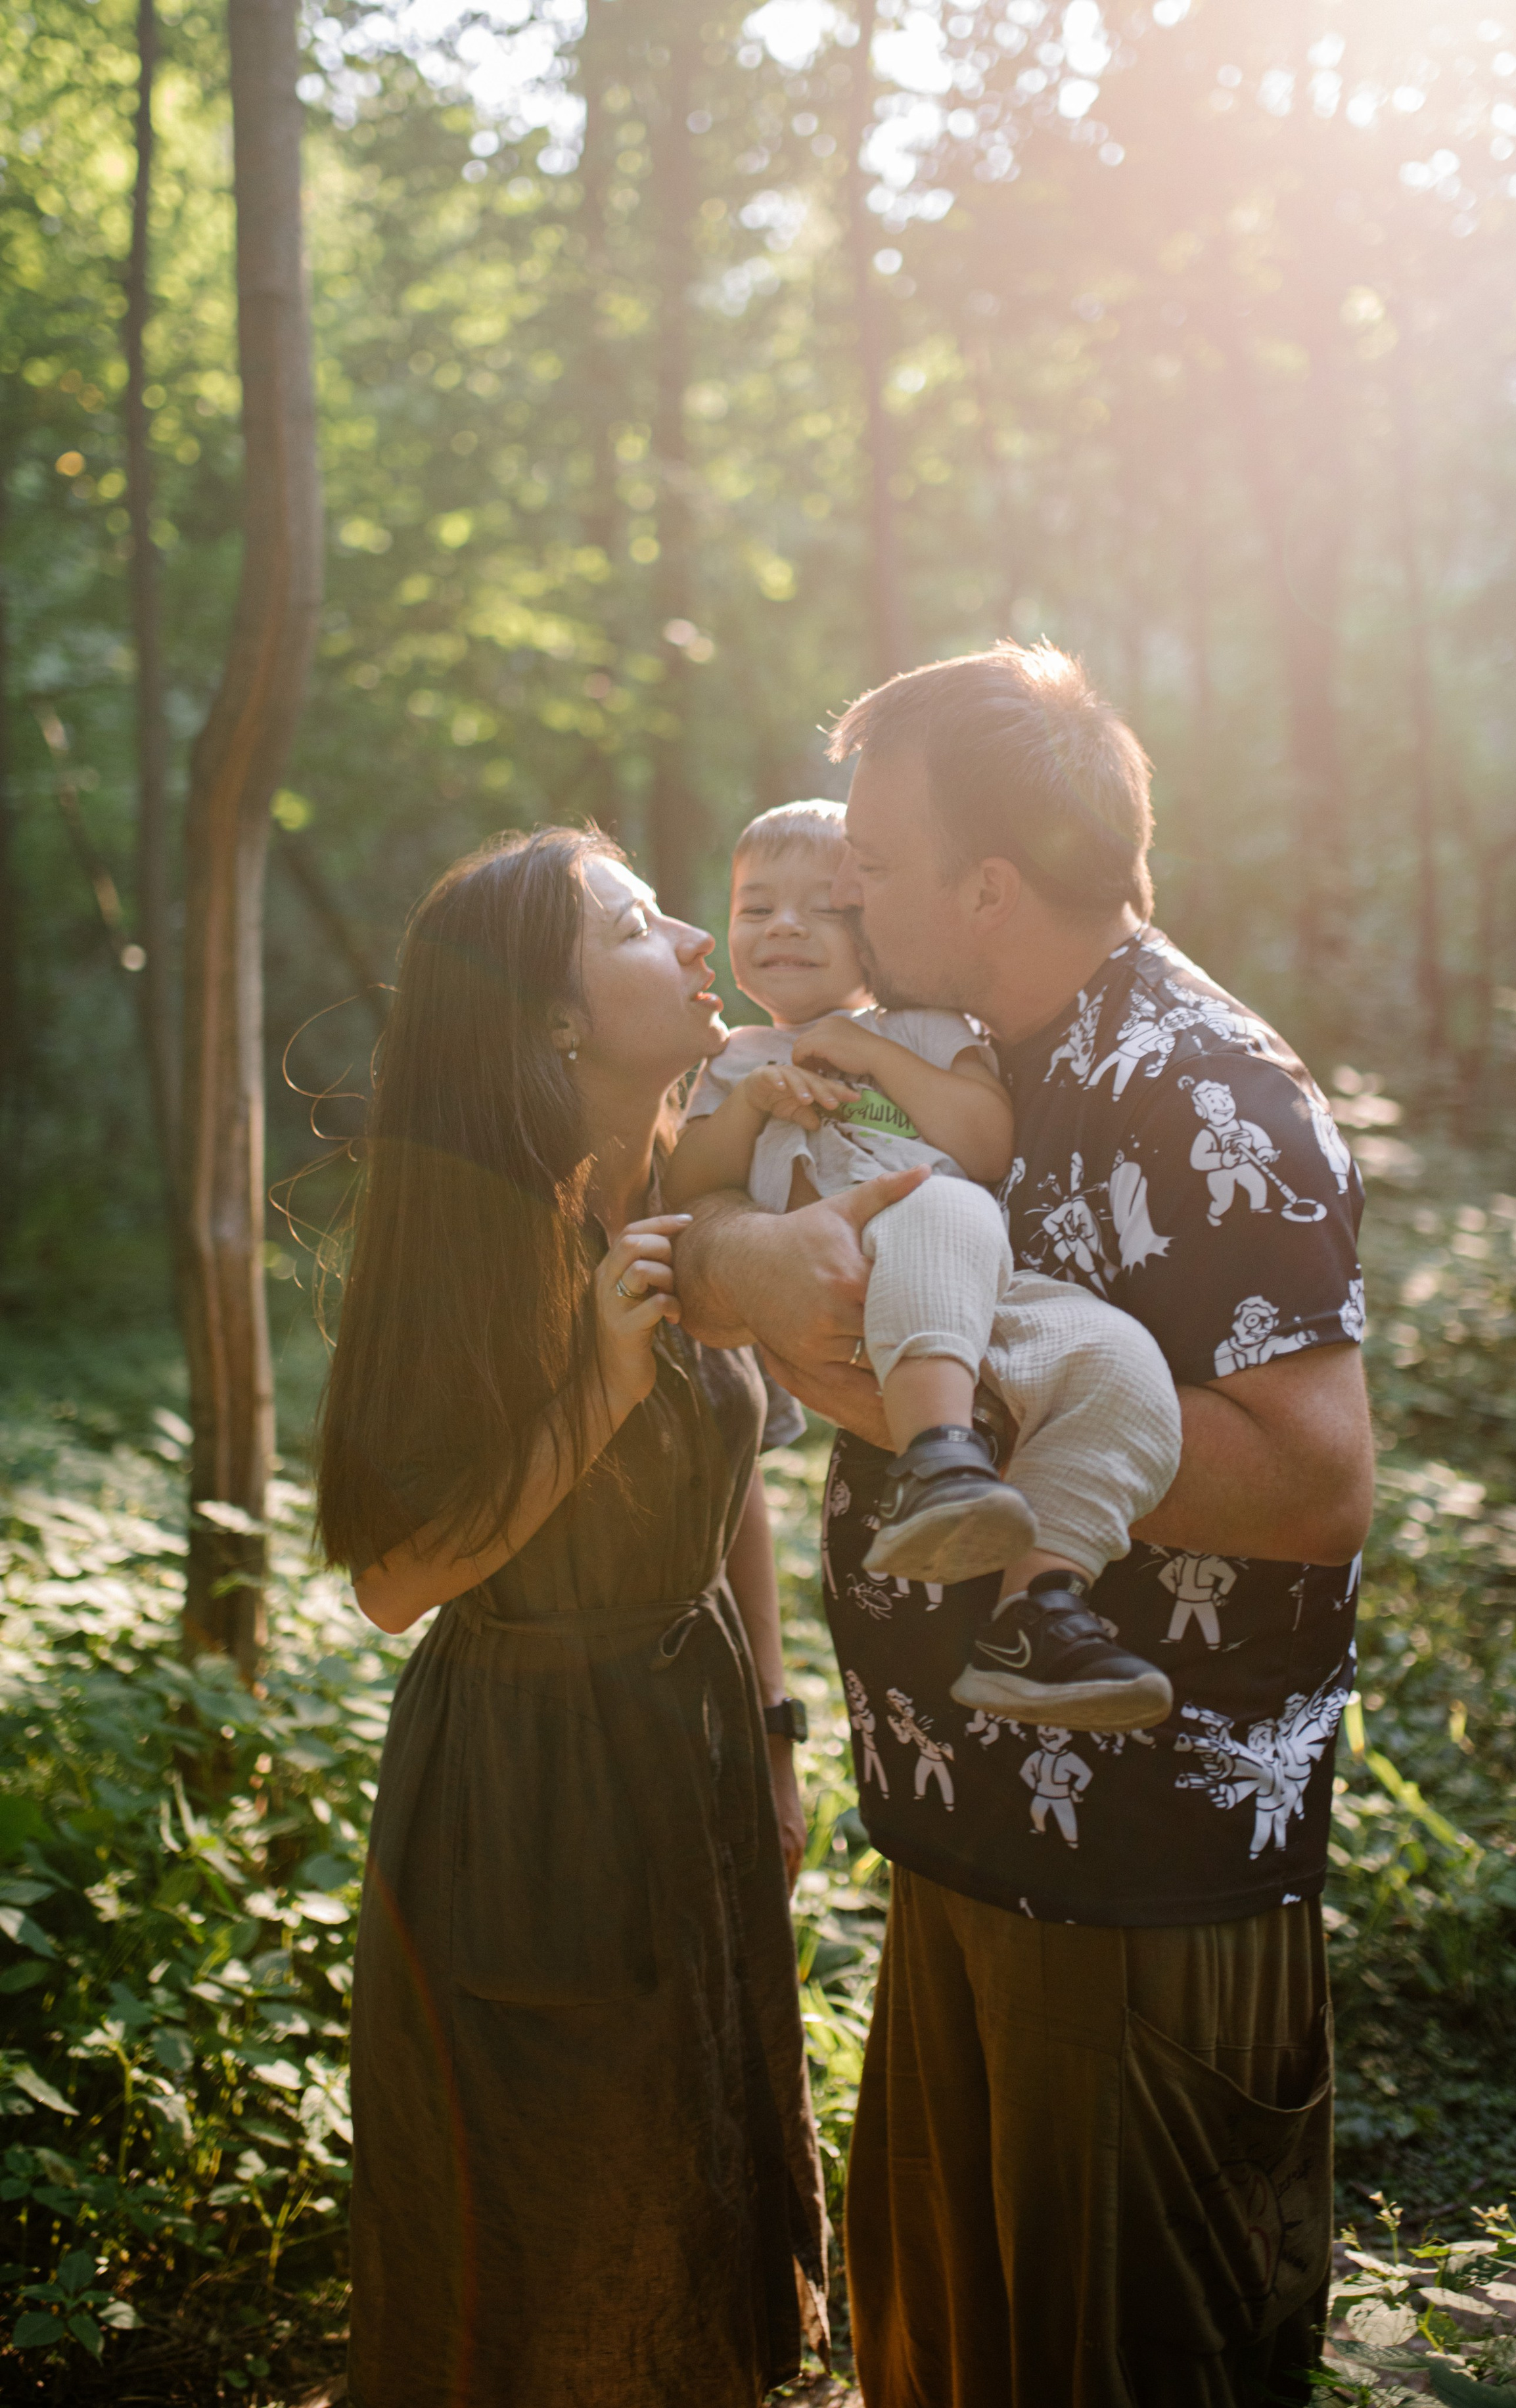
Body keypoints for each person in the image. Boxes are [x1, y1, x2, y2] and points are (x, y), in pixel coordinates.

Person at [676, 642, 1375, 2408]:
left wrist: (896, 1399)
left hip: (1137, 1885)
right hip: (965, 1836)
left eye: (879, 871)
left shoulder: (1200, 1084)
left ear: (988, 889)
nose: (846, 893)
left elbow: (1311, 1479)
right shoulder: (988, 1054)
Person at [315, 827, 829, 2408]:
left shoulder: (691, 1182)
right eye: (632, 922)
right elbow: (394, 1582)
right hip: (527, 1795)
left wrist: (773, 1733)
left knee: (695, 2192)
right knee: (553, 2238)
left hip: (689, 1746)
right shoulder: (469, 1232)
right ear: (551, 1020)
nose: (691, 935)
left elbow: (731, 1479)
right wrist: (594, 1390)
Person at [665, 798, 1183, 1733]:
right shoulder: (735, 1060)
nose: (784, 925)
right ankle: (936, 1463)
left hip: (974, 1285)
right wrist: (751, 1109)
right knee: (935, 1201)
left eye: (820, 907)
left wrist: (869, 1052)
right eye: (755, 908)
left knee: (1124, 1362)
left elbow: (985, 1140)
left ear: (871, 924)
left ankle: (1037, 1613)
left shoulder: (929, 1028)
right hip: (853, 1279)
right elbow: (689, 1184)